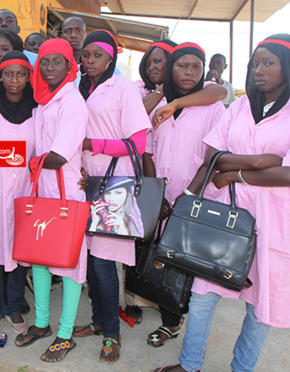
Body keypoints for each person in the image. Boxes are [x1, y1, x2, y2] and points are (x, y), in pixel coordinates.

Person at [154, 33, 290, 372]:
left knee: (260, 308)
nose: (258, 70)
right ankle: (189, 364)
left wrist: (235, 172)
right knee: (202, 296)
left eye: (268, 63)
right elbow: (214, 156)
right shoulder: (242, 106)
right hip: (224, 214)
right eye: (255, 63)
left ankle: (242, 368)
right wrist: (260, 162)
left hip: (273, 220)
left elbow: (288, 175)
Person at [72, 29, 151, 364]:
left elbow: (138, 143)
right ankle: (97, 320)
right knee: (89, 260)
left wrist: (95, 145)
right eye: (86, 55)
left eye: (97, 56)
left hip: (115, 184)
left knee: (104, 263)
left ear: (111, 57)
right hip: (82, 182)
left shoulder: (124, 89)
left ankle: (112, 335)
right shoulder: (75, 85)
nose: (90, 61)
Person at [143, 42, 226, 348]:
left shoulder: (213, 108)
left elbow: (213, 159)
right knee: (161, 259)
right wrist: (156, 192)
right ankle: (171, 323)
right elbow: (147, 150)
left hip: (196, 197)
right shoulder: (159, 102)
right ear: (171, 68)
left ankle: (182, 316)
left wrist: (189, 195)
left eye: (196, 67)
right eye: (182, 65)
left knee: (189, 264)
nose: (190, 72)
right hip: (164, 198)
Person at [13, 38, 87, 363]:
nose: (50, 68)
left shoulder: (73, 101)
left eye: (57, 62)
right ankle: (42, 323)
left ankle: (65, 334)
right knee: (40, 259)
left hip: (65, 193)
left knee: (69, 265)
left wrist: (31, 161)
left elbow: (58, 156)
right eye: (44, 62)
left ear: (70, 66)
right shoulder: (43, 102)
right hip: (42, 192)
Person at [0, 51, 36, 337]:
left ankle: (14, 307)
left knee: (21, 250)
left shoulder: (39, 109)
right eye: (8, 74)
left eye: (21, 74)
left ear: (29, 76)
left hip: (27, 189)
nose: (14, 80)